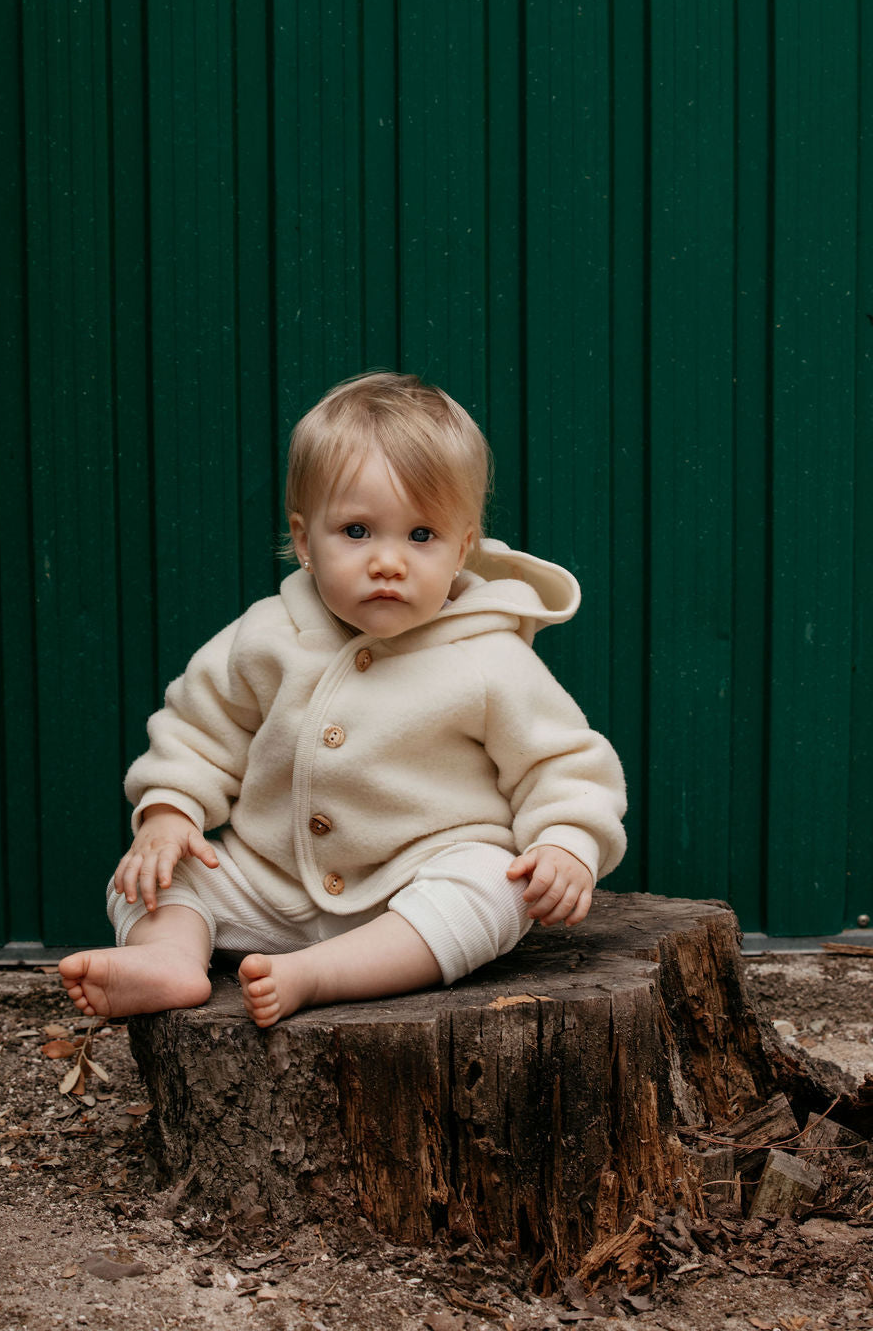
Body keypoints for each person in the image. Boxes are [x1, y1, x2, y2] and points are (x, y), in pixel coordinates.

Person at [59, 372, 626, 1028]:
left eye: (421, 535)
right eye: (357, 531)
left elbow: (563, 765)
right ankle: (170, 958)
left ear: (463, 548)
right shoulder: (267, 635)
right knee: (152, 875)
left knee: (496, 888)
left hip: (418, 883)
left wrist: (566, 843)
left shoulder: (490, 658)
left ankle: (320, 975)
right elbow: (198, 729)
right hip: (269, 884)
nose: (388, 562)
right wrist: (168, 811)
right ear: (305, 540)